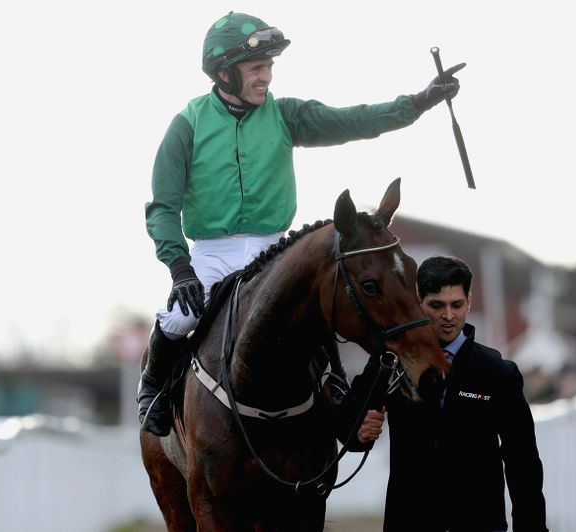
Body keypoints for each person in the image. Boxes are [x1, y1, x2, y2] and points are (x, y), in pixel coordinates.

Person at [138, 11, 465, 437]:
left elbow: (354, 121)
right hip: (212, 254)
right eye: (256, 68)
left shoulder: (286, 115)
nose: (266, 77)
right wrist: (180, 268)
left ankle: (336, 387)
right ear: (224, 73)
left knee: (315, 305)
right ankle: (153, 390)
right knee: (180, 319)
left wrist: (418, 103)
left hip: (274, 246)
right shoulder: (186, 126)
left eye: (269, 67)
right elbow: (162, 207)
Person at [349, 255, 548, 531]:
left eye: (456, 304)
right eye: (436, 305)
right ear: (418, 302)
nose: (448, 316)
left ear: (469, 300)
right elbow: (349, 426)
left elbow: (522, 461)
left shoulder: (498, 373)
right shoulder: (390, 361)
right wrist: (359, 432)